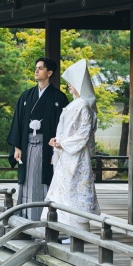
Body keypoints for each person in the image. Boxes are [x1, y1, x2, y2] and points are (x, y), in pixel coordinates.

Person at [42, 59, 101, 234]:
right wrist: (58, 141)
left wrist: (62, 142)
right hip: (67, 154)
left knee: (74, 192)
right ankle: (63, 229)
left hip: (76, 156)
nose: (68, 86)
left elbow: (83, 134)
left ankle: (75, 232)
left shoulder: (83, 106)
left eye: (71, 83)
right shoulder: (77, 104)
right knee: (64, 191)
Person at [7, 57, 69, 220]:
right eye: (36, 67)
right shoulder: (26, 96)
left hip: (47, 149)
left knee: (44, 181)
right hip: (26, 147)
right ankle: (24, 217)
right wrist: (17, 147)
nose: (36, 70)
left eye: (40, 68)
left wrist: (56, 149)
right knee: (26, 182)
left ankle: (43, 218)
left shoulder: (59, 98)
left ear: (49, 73)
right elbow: (18, 122)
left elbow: (63, 127)